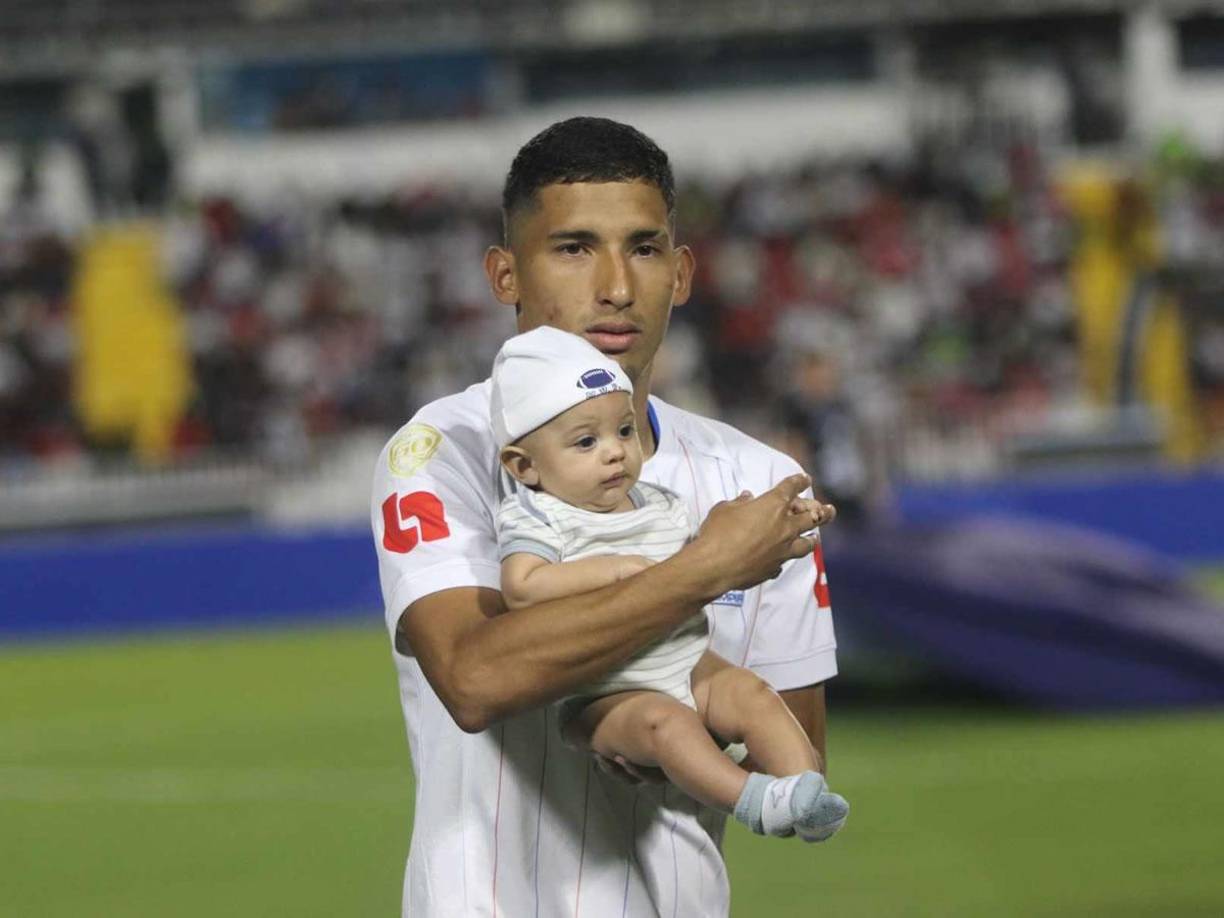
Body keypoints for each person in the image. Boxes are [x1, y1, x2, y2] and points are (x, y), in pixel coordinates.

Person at [371, 116, 840, 917]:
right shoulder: (440, 452)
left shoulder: (759, 480)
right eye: (573, 247)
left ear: (683, 273)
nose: (616, 285)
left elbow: (793, 757)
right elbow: (476, 678)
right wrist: (702, 570)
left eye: (646, 248)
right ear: (505, 274)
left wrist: (667, 732)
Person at [491, 326, 847, 841]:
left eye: (624, 431)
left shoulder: (657, 500)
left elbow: (692, 561)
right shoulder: (538, 517)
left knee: (750, 691)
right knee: (667, 726)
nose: (614, 452)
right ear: (524, 466)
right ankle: (752, 800)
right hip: (609, 691)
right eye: (586, 441)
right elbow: (522, 587)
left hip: (688, 658)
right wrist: (610, 572)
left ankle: (804, 789)